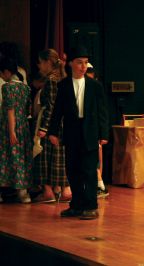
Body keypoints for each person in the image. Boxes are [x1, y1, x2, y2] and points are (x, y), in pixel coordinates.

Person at [48, 46, 109, 220]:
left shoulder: (95, 86)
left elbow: (102, 111)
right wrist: (53, 131)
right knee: (73, 170)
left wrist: (104, 134)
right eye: (79, 63)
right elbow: (57, 110)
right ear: (71, 64)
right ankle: (76, 205)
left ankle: (91, 206)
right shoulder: (64, 86)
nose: (83, 67)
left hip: (90, 131)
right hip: (72, 132)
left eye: (85, 63)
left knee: (89, 170)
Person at [32, 48, 72, 203]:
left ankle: (48, 191)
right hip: (62, 124)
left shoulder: (51, 80)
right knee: (58, 158)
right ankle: (63, 190)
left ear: (48, 62)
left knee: (45, 158)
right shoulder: (62, 78)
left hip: (52, 125)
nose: (39, 66)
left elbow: (51, 106)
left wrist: (43, 128)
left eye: (41, 63)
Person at [0, 56, 32, 203]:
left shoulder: (7, 87)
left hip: (9, 126)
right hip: (23, 125)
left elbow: (10, 110)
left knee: (7, 157)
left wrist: (11, 130)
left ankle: (4, 191)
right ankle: (23, 193)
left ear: (6, 72)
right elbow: (26, 108)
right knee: (20, 157)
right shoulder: (26, 88)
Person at [85, 62, 109, 198]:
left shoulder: (96, 91)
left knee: (94, 159)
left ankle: (99, 185)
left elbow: (102, 112)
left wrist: (103, 134)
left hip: (94, 131)